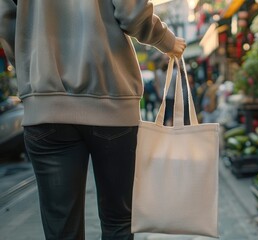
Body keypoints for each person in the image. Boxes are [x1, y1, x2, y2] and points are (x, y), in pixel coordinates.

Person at [0, 1, 186, 239]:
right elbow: (132, 12)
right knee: (119, 223)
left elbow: (7, 22)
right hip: (112, 100)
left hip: (45, 105)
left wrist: (33, 71)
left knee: (61, 230)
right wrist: (167, 41)